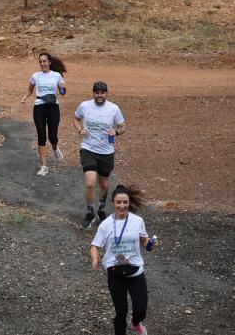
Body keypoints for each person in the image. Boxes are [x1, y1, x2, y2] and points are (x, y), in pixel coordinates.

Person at [90, 184, 158, 335]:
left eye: (125, 202)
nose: (122, 205)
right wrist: (95, 259)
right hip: (115, 272)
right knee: (121, 313)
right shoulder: (106, 225)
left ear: (129, 203)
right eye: (118, 202)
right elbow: (94, 245)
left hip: (135, 270)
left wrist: (150, 245)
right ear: (113, 203)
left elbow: (144, 240)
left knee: (140, 310)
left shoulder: (138, 221)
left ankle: (135, 322)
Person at [73, 81, 126, 229]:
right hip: (88, 148)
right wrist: (79, 130)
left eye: (102, 92)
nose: (99, 95)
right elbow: (76, 118)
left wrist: (116, 132)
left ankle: (101, 209)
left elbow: (123, 126)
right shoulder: (84, 106)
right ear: (93, 93)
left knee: (103, 183)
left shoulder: (114, 109)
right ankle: (90, 212)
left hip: (106, 152)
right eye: (97, 92)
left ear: (106, 93)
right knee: (90, 182)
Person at [20, 51, 67, 177]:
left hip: (53, 107)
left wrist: (62, 90)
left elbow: (62, 86)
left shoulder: (56, 75)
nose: (42, 64)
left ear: (49, 62)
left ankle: (55, 148)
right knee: (41, 135)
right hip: (39, 106)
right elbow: (30, 89)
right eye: (40, 62)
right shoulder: (35, 76)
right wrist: (25, 97)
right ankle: (44, 166)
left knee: (52, 136)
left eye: (44, 61)